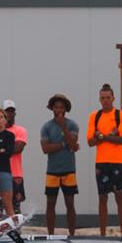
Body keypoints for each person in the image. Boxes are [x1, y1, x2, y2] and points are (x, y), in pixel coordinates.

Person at [87, 83, 122, 237]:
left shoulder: (121, 115)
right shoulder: (95, 116)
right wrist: (111, 135)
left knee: (120, 198)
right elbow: (90, 141)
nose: (105, 101)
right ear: (99, 99)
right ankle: (102, 234)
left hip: (117, 161)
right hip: (101, 162)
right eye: (102, 98)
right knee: (102, 198)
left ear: (113, 98)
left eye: (108, 98)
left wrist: (102, 136)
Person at [40, 94, 79, 235]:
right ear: (52, 108)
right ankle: (50, 234)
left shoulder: (73, 125)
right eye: (56, 107)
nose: (59, 109)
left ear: (66, 109)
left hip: (69, 170)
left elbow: (73, 146)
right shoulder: (46, 127)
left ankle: (72, 234)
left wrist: (63, 126)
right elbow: (45, 149)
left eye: (62, 107)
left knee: (70, 204)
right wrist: (64, 144)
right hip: (52, 171)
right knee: (50, 204)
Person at [2, 100, 27, 213]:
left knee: (15, 206)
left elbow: (18, 148)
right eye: (7, 111)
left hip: (15, 174)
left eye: (12, 111)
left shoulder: (20, 130)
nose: (10, 114)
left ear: (15, 113)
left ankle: (15, 230)